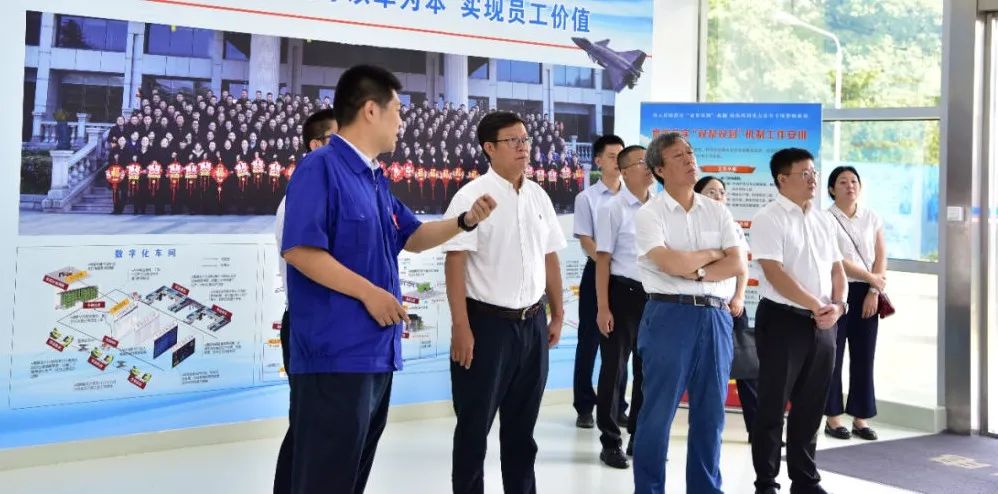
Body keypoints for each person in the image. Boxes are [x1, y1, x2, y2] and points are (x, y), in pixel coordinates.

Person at [281, 65, 496, 494]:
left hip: (375, 353)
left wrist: (464, 222)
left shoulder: (375, 178)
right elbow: (300, 250)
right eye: (397, 109)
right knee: (324, 477)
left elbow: (412, 236)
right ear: (370, 110)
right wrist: (370, 294)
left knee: (351, 474)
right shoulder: (320, 167)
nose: (402, 121)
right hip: (335, 354)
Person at [443, 111, 566, 494]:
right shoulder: (470, 196)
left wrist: (558, 313)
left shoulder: (538, 194)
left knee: (522, 431)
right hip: (486, 327)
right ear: (490, 148)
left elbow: (549, 255)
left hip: (533, 324)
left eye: (525, 139)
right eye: (513, 141)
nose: (523, 147)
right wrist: (461, 327)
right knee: (473, 428)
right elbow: (455, 261)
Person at [631, 132, 745, 494]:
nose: (689, 160)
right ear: (659, 169)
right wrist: (711, 256)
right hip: (669, 316)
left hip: (715, 317)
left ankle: (706, 488)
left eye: (690, 153)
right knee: (658, 413)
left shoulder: (717, 210)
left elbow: (737, 262)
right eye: (678, 156)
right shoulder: (650, 214)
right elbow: (669, 263)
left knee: (711, 415)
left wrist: (693, 269)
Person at [750, 148, 846, 494]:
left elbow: (837, 269)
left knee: (811, 405)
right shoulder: (769, 218)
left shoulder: (823, 219)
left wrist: (838, 305)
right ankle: (766, 482)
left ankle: (805, 480)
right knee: (772, 405)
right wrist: (817, 304)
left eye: (814, 173)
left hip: (824, 323)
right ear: (782, 179)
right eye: (804, 173)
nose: (813, 179)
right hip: (783, 321)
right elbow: (774, 272)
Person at [271, 108, 336, 494]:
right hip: (310, 326)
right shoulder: (300, 199)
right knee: (309, 428)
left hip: (334, 327)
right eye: (336, 140)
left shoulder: (335, 195)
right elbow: (310, 265)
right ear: (315, 145)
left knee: (327, 429)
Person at [593, 145, 653, 468]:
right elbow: (602, 260)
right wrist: (603, 307)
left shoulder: (660, 206)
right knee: (614, 369)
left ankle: (639, 438)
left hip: (654, 298)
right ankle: (610, 441)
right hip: (621, 295)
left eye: (650, 160)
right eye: (642, 161)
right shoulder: (613, 208)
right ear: (624, 171)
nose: (648, 166)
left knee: (647, 372)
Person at [823, 166, 887, 441]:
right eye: (842, 182)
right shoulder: (825, 219)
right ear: (831, 189)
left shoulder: (871, 216)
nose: (850, 185)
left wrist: (873, 289)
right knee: (833, 355)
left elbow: (881, 255)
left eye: (854, 181)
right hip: (836, 291)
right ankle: (833, 417)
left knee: (864, 355)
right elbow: (836, 258)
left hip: (867, 293)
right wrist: (872, 278)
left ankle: (861, 417)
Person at [694, 176, 758, 442]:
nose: (718, 196)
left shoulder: (733, 226)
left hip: (732, 306)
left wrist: (739, 297)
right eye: (711, 192)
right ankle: (709, 429)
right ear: (698, 196)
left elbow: (741, 267)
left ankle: (757, 430)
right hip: (702, 307)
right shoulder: (691, 226)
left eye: (721, 192)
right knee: (706, 370)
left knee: (748, 368)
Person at [572, 134, 627, 429]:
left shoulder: (634, 197)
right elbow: (586, 241)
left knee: (621, 344)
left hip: (627, 278)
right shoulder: (587, 198)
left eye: (622, 156)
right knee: (589, 340)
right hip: (597, 271)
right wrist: (608, 263)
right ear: (598, 161)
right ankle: (584, 406)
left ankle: (618, 406)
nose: (618, 161)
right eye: (612, 156)